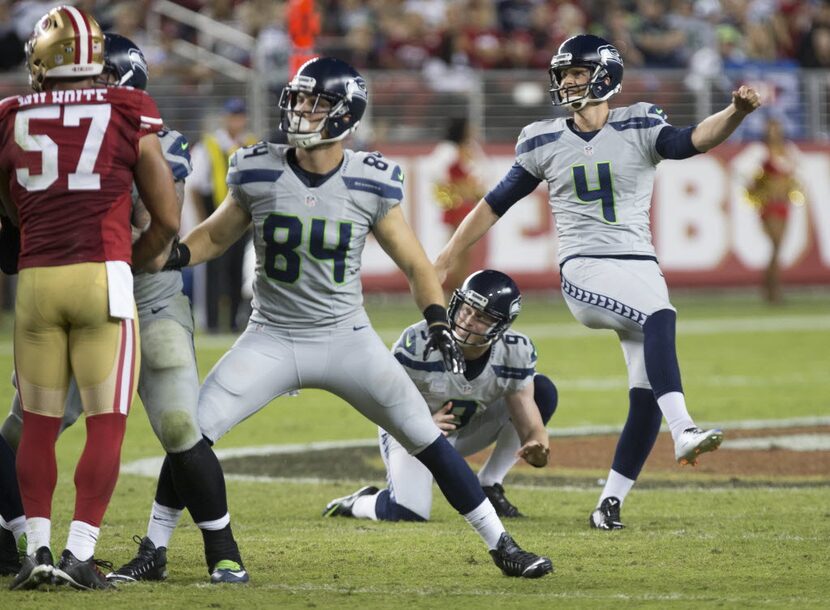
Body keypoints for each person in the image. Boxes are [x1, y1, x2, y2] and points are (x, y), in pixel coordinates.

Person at [159, 56, 553, 579]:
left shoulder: (370, 178)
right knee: (191, 434)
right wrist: (174, 257)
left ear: (346, 115)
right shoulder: (256, 166)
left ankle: (504, 546)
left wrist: (437, 319)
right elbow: (212, 235)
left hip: (347, 338)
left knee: (428, 440)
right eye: (297, 98)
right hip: (271, 335)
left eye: (315, 101)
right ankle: (152, 547)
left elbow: (415, 263)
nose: (300, 109)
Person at [434, 34, 761, 530]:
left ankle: (609, 503)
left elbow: (694, 139)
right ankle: (685, 429)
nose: (566, 82)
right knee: (660, 318)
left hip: (641, 266)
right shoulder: (543, 139)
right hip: (585, 265)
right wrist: (449, 253)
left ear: (604, 75)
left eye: (576, 73)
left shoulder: (640, 123)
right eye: (562, 74)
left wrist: (735, 113)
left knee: (646, 388)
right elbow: (494, 203)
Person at [0, 32, 249, 587]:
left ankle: (222, 547)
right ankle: (16, 535)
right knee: (21, 428)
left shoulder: (156, 136)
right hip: (91, 293)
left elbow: (160, 231)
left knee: (181, 423)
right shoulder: (75, 124)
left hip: (149, 297)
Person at [0, 6, 179, 591]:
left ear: (44, 59)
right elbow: (168, 216)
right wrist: (142, 254)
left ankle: (37, 550)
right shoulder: (128, 107)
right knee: (106, 422)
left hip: (35, 281)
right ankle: (79, 553)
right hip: (103, 273)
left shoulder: (9, 113)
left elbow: (6, 203)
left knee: (39, 425)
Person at [323, 269, 557, 522]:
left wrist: (538, 447)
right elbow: (382, 400)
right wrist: (419, 424)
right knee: (408, 513)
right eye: (467, 309)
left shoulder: (515, 352)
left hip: (464, 428)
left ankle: (490, 484)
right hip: (408, 430)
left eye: (481, 317)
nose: (468, 320)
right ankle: (358, 503)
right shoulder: (418, 343)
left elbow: (531, 427)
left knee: (541, 389)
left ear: (500, 326)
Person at [187, 96, 258, 332]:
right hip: (216, 216)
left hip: (244, 221)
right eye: (232, 116)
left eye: (239, 116)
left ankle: (237, 322)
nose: (236, 121)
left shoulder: (251, 144)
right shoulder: (209, 145)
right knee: (215, 274)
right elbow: (196, 187)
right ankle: (214, 323)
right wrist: (203, 221)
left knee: (238, 273)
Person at [745, 117, 803, 304]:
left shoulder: (789, 150)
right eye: (771, 128)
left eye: (776, 128)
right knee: (776, 246)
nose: (774, 131)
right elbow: (749, 178)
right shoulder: (761, 151)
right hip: (769, 206)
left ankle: (769, 289)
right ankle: (773, 290)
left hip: (784, 205)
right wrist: (762, 192)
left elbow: (796, 175)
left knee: (777, 249)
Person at [431, 117, 488, 291]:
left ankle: (458, 290)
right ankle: (449, 290)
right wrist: (455, 194)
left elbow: (479, 174)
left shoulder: (469, 148)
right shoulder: (447, 150)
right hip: (457, 206)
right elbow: (437, 176)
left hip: (467, 205)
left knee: (464, 253)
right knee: (456, 252)